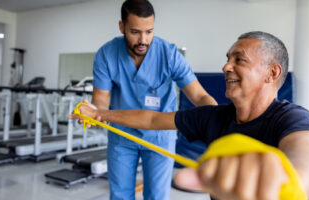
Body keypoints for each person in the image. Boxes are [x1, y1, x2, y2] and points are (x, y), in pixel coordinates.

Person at [73, 31, 309, 200]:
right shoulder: (214, 117)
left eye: (239, 59)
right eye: (228, 58)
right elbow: (151, 119)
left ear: (272, 73)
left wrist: (290, 177)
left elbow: (306, 159)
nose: (226, 66)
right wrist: (101, 113)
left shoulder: (292, 118)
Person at [89, 0, 217, 199]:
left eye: (149, 31)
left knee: (157, 196)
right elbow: (100, 102)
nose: (143, 40)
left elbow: (199, 95)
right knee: (120, 194)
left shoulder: (169, 54)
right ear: (121, 27)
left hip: (159, 136)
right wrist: (95, 114)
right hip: (122, 135)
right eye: (135, 32)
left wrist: (218, 120)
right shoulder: (107, 54)